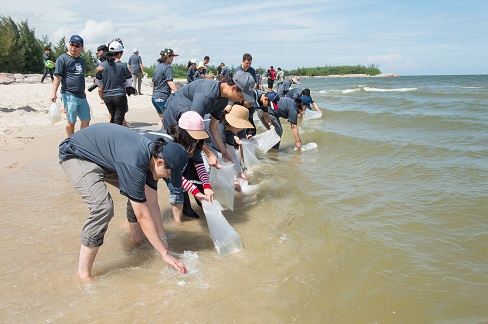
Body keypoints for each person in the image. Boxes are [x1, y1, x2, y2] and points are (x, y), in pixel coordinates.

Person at [58, 123, 188, 281]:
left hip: (105, 156)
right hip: (77, 154)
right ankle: (83, 275)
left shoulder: (152, 159)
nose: (168, 178)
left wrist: (165, 246)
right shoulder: (135, 161)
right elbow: (143, 216)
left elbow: (152, 204)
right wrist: (164, 255)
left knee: (140, 195)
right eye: (169, 174)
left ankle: (136, 240)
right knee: (103, 207)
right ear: (160, 162)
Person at [162, 71, 259, 167]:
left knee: (192, 157)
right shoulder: (206, 95)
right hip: (174, 118)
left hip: (190, 122)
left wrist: (224, 152)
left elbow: (214, 126)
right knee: (179, 157)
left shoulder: (224, 99)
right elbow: (192, 129)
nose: (241, 100)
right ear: (233, 88)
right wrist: (209, 154)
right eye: (241, 96)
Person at [143, 111, 214, 222]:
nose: (197, 140)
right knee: (170, 189)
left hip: (164, 164)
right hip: (146, 161)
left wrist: (207, 186)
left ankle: (178, 222)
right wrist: (195, 191)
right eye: (195, 136)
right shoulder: (168, 143)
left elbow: (199, 165)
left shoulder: (192, 142)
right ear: (184, 132)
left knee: (178, 188)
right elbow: (174, 174)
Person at [50, 35, 90, 137]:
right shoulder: (62, 59)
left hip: (82, 95)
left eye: (77, 46)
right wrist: (53, 93)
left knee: (86, 120)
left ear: (81, 48)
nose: (73, 47)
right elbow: (57, 77)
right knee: (71, 121)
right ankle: (70, 142)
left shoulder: (81, 60)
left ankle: (81, 141)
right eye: (72, 44)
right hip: (69, 94)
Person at [206, 104, 254, 190]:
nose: (242, 129)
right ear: (233, 122)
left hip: (207, 142)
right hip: (195, 139)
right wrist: (234, 180)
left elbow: (231, 152)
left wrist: (240, 173)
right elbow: (221, 159)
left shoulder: (229, 129)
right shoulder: (219, 130)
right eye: (241, 125)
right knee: (211, 166)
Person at [95, 40, 133, 125]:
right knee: (118, 120)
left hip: (107, 96)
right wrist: (123, 86)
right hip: (119, 95)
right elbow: (129, 82)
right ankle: (115, 137)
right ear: (120, 54)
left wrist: (104, 86)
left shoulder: (102, 65)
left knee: (113, 117)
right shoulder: (123, 66)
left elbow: (97, 81)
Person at [152, 48, 179, 129]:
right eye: (172, 57)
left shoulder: (157, 67)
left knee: (162, 119)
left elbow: (154, 83)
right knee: (169, 120)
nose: (173, 59)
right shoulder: (167, 68)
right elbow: (170, 82)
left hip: (154, 97)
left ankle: (157, 137)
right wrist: (178, 93)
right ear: (167, 57)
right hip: (163, 98)